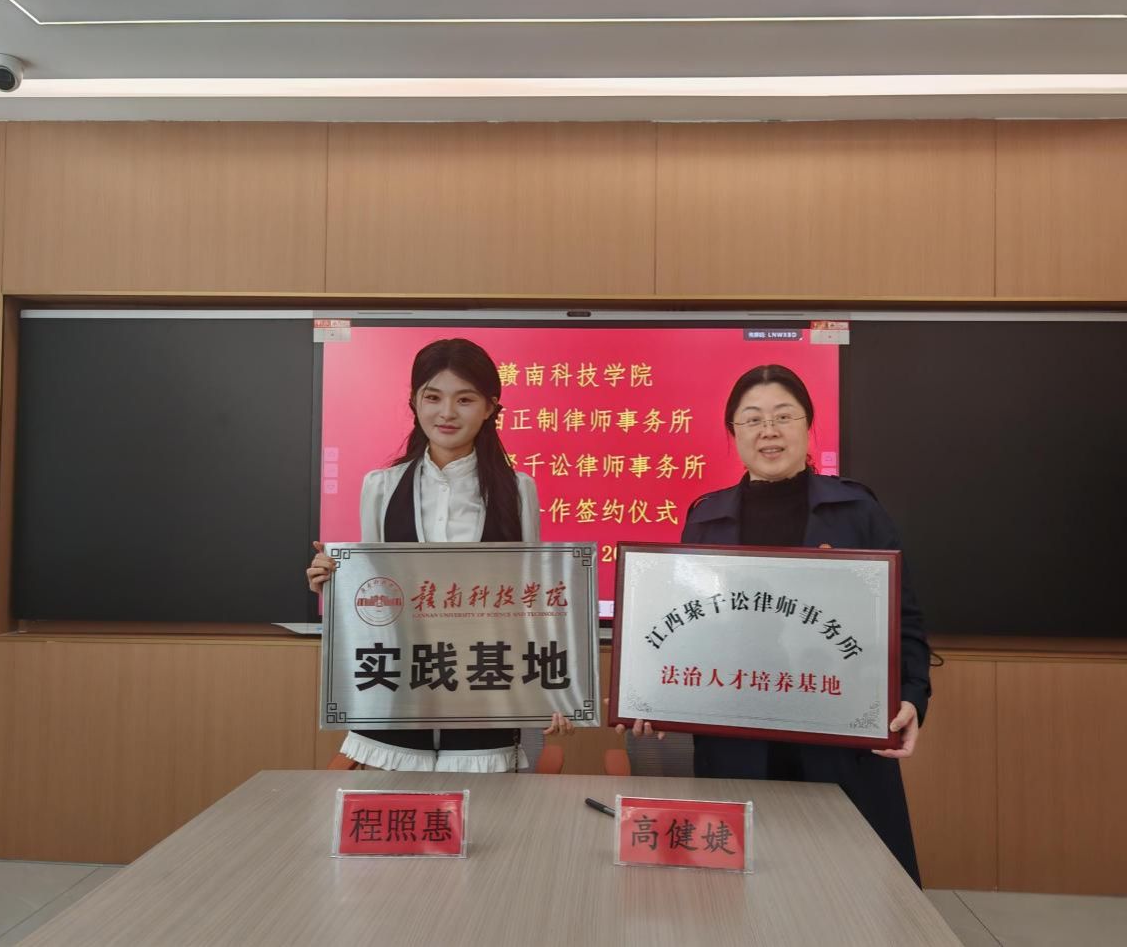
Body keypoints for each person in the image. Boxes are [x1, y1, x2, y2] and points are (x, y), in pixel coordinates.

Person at [621, 364, 931, 884]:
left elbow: (906, 620)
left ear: (808, 425)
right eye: (753, 419)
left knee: (852, 891)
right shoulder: (706, 519)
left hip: (839, 738)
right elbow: (686, 630)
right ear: (733, 432)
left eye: (784, 416)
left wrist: (913, 697)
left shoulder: (858, 511)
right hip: (736, 742)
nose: (769, 431)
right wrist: (649, 695)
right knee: (742, 892)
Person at [308, 337, 573, 772]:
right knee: (399, 811)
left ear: (489, 408)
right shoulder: (381, 486)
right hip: (400, 682)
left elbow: (530, 598)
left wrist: (553, 687)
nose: (447, 413)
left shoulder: (517, 490)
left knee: (482, 812)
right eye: (433, 397)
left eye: (464, 399)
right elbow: (375, 589)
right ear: (414, 402)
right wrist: (334, 581)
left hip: (484, 683)